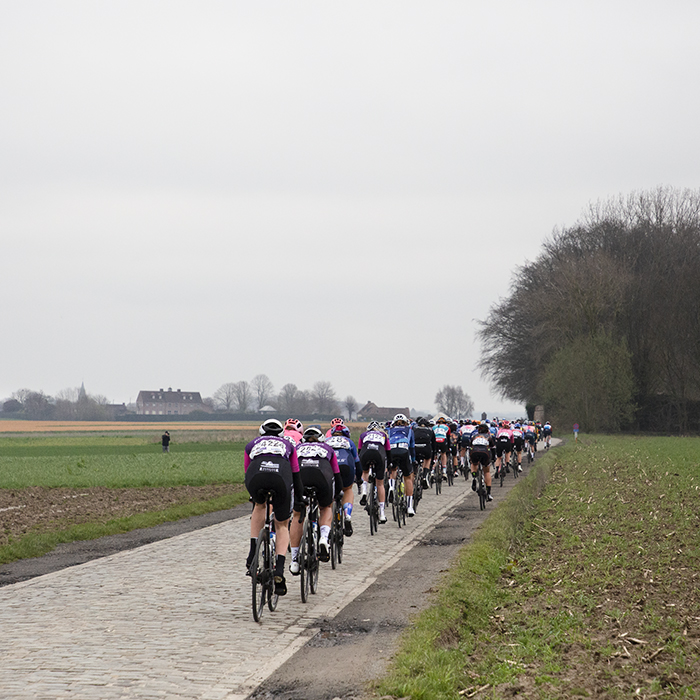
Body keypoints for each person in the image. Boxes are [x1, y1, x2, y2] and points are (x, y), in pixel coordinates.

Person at [244, 418, 303, 597]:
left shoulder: (251, 444)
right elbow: (295, 475)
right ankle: (279, 570)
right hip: (280, 478)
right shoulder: (288, 445)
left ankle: (253, 550)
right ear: (280, 433)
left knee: (259, 505)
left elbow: (247, 471)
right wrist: (299, 500)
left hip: (256, 477)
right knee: (282, 524)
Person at [288, 426, 343, 574]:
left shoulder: (297, 448)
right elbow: (336, 473)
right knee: (325, 508)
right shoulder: (327, 449)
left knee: (297, 514)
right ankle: (324, 538)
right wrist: (338, 493)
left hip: (302, 477)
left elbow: (290, 471)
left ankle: (294, 560)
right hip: (321, 476)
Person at [325, 423, 360, 536]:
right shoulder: (348, 442)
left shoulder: (326, 441)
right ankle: (347, 515)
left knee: (328, 493)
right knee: (348, 489)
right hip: (346, 466)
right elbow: (357, 461)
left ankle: (326, 525)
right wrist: (359, 478)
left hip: (330, 467)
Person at [358, 421, 391, 524]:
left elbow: (359, 450)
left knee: (365, 472)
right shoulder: (383, 435)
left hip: (365, 453)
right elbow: (388, 452)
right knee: (380, 484)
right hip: (379, 454)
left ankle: (364, 491)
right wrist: (389, 465)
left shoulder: (363, 435)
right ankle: (382, 513)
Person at [387, 413, 417, 516]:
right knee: (408, 477)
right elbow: (412, 447)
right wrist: (413, 461)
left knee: (393, 470)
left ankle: (391, 486)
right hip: (404, 450)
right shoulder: (410, 430)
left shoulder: (389, 430)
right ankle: (409, 507)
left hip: (392, 450)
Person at [470, 422, 496, 501]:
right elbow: (493, 448)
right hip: (485, 452)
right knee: (487, 472)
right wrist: (493, 458)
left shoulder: (474, 436)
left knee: (474, 464)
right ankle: (488, 493)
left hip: (474, 451)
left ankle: (474, 477)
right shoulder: (489, 436)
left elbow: (470, 446)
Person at [413, 417, 436, 489]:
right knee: (427, 459)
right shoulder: (430, 430)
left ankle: (414, 474)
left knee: (415, 460)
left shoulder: (414, 430)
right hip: (426, 448)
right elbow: (434, 443)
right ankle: (424, 476)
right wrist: (434, 453)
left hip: (416, 448)